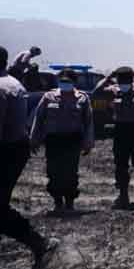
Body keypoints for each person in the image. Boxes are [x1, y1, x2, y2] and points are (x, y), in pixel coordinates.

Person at [0, 45, 60, 269]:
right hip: (15, 149)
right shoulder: (13, 84)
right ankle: (40, 244)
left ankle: (41, 244)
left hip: (6, 150)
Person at [30, 68, 95, 211]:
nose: (64, 83)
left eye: (67, 81)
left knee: (70, 171)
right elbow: (38, 118)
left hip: (72, 140)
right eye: (62, 81)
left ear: (74, 82)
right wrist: (34, 139)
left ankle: (70, 201)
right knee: (53, 171)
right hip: (54, 140)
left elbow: (88, 121)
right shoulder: (48, 96)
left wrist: (88, 142)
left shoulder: (82, 98)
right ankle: (57, 201)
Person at [95, 67, 134, 208]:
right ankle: (123, 195)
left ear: (131, 80)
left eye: (126, 80)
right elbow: (97, 91)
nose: (123, 82)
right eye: (120, 80)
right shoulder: (114, 90)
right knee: (120, 164)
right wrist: (108, 77)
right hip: (120, 130)